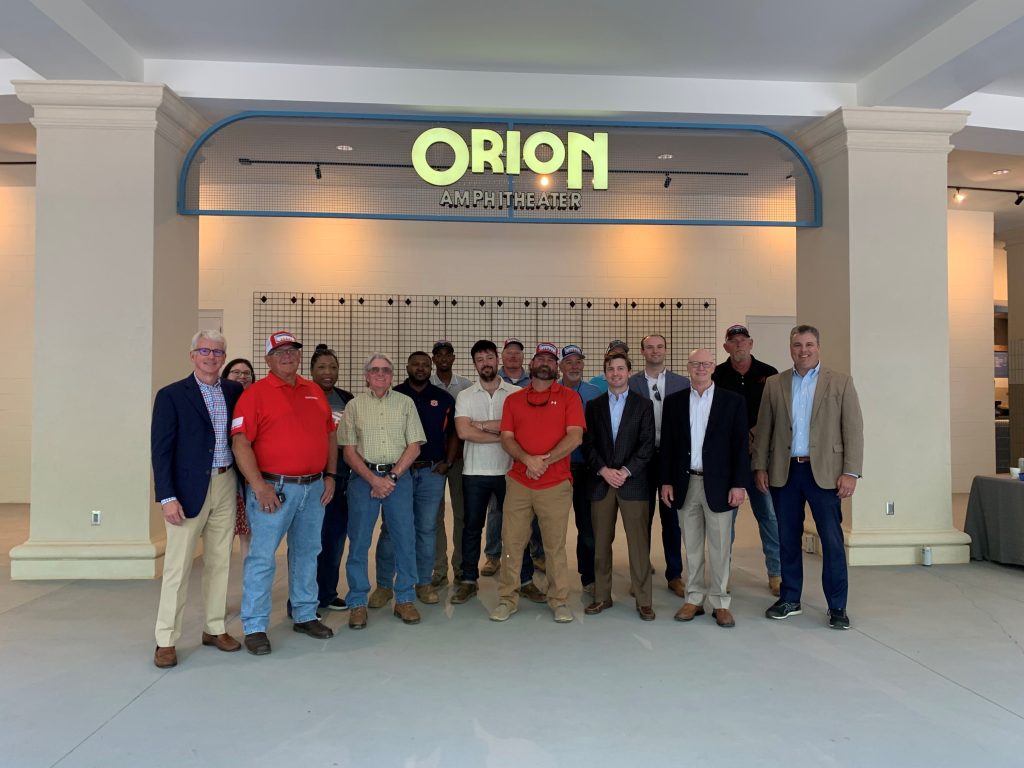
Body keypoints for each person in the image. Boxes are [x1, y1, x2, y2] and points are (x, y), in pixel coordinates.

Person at [231, 331, 338, 656]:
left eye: (292, 350)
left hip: (313, 488)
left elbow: (330, 435)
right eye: (280, 352)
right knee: (262, 558)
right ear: (268, 359)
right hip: (272, 489)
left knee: (307, 552)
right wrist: (258, 486)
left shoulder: (314, 392)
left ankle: (305, 613)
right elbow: (240, 443)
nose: (288, 356)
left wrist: (330, 475)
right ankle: (255, 626)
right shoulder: (254, 395)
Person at [753, 325, 863, 630]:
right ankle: (790, 598)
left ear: (818, 347)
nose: (803, 350)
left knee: (832, 540)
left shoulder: (840, 383)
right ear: (790, 348)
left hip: (826, 473)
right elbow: (764, 431)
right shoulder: (775, 384)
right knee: (787, 538)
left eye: (809, 344)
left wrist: (851, 472)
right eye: (798, 345)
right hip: (784, 472)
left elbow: (853, 430)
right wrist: (760, 466)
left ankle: (837, 605)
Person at [151, 330, 244, 668]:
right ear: (192, 355)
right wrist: (167, 497)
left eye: (218, 352)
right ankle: (166, 638)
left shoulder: (234, 391)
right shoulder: (172, 395)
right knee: (177, 567)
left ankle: (214, 628)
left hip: (225, 482)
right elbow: (160, 452)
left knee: (220, 561)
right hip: (187, 491)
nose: (211, 357)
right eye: (204, 351)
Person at [492, 342, 585, 623]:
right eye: (540, 358)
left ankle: (559, 601)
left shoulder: (569, 398)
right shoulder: (514, 400)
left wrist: (542, 461)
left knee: (554, 546)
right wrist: (527, 460)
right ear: (531, 365)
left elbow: (575, 436)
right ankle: (508, 598)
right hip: (520, 483)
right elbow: (507, 437)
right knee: (512, 542)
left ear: (556, 367)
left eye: (550, 359)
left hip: (555, 483)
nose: (544, 363)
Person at [660, 348, 749, 628]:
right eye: (696, 364)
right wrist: (666, 480)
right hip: (686, 483)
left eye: (706, 364)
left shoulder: (732, 402)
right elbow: (668, 447)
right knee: (693, 545)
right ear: (688, 367)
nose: (701, 368)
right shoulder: (674, 402)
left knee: (721, 546)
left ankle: (721, 602)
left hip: (721, 485)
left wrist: (739, 484)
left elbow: (740, 447)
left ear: (713, 368)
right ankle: (694, 598)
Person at [449, 340, 541, 605]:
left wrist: (484, 426)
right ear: (475, 364)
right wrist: (504, 435)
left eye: (489, 357)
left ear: (497, 360)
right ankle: (468, 580)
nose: (485, 363)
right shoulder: (465, 395)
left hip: (509, 472)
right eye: (480, 359)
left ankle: (524, 580)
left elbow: (520, 429)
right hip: (474, 472)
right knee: (471, 528)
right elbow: (464, 432)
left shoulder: (515, 393)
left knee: (516, 530)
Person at [339, 353, 426, 629]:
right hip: (363, 479)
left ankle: (405, 599)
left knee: (404, 538)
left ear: (391, 375)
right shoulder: (354, 406)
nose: (380, 374)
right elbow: (348, 451)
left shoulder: (406, 403)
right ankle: (357, 602)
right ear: (366, 375)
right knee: (359, 542)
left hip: (398, 479)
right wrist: (373, 479)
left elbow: (414, 445)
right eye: (375, 370)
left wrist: (390, 476)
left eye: (386, 370)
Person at [370, 352, 456, 606]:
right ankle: (385, 585)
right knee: (390, 530)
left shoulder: (443, 399)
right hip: (399, 473)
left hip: (431, 473)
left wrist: (448, 462)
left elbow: (454, 433)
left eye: (424, 365)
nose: (420, 368)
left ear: (430, 368)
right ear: (406, 367)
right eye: (415, 364)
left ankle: (423, 582)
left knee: (427, 529)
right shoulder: (393, 395)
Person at [582, 351, 656, 619]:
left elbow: (647, 446)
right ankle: (602, 597)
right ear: (605, 374)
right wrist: (604, 470)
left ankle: (644, 600)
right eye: (611, 369)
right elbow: (587, 444)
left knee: (639, 545)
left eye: (621, 368)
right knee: (601, 544)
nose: (615, 373)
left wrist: (624, 471)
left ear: (628, 372)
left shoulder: (643, 405)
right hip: (602, 483)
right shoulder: (594, 406)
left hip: (633, 483)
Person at [712, 324, 782, 595]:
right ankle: (722, 574)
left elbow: (778, 413)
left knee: (769, 517)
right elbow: (713, 417)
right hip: (729, 462)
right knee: (724, 522)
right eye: (733, 341)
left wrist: (755, 433)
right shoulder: (717, 375)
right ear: (726, 346)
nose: (739, 345)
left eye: (743, 340)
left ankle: (776, 574)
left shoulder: (769, 374)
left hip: (760, 461)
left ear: (751, 344)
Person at [628, 333, 690, 597]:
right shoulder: (631, 384)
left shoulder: (682, 383)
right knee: (640, 521)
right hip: (640, 459)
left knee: (672, 520)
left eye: (660, 347)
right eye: (650, 347)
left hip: (671, 460)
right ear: (642, 352)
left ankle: (674, 574)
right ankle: (640, 576)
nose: (655, 351)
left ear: (666, 350)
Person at [308, 344, 354, 612]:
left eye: (333, 367)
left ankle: (326, 593)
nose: (328, 372)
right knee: (309, 540)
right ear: (312, 370)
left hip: (341, 477)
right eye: (322, 367)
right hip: (312, 477)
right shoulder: (304, 396)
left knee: (335, 537)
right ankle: (302, 598)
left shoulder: (346, 398)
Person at [429, 339, 473, 587]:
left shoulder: (465, 386)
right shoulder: (427, 385)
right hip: (435, 462)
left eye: (448, 354)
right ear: (434, 359)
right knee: (435, 517)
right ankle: (439, 569)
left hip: (460, 460)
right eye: (439, 355)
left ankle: (460, 567)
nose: (443, 358)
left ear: (454, 358)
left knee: (462, 515)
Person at [558, 344, 602, 593]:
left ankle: (589, 577)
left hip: (587, 470)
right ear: (561, 366)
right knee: (551, 525)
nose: (574, 366)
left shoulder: (595, 393)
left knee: (587, 526)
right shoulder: (552, 392)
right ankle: (548, 573)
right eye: (569, 362)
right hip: (558, 468)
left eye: (578, 361)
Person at [221, 357, 256, 563]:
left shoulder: (257, 400)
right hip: (226, 474)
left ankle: (248, 586)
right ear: (225, 376)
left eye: (246, 373)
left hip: (251, 475)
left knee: (248, 532)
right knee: (222, 533)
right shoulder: (221, 401)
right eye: (236, 372)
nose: (242, 376)